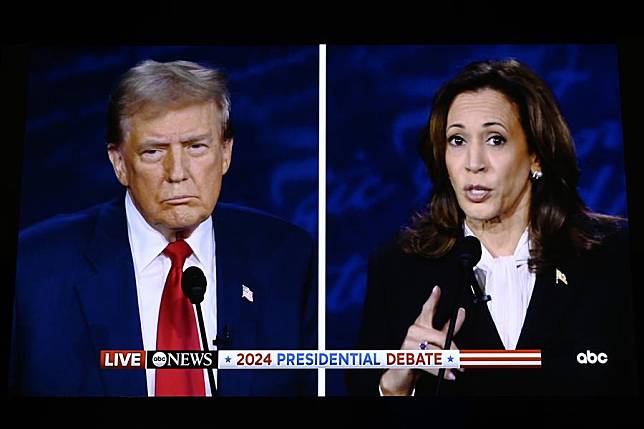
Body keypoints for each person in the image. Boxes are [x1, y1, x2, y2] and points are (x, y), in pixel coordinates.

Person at [10, 60, 317, 396]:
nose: (177, 173)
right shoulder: (33, 270)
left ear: (226, 152)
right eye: (154, 152)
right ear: (120, 163)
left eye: (196, 147)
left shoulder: (290, 259)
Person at [348, 59, 637, 396]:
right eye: (457, 141)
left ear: (536, 154)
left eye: (495, 139)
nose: (473, 163)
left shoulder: (614, 256)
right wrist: (396, 386)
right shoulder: (399, 268)